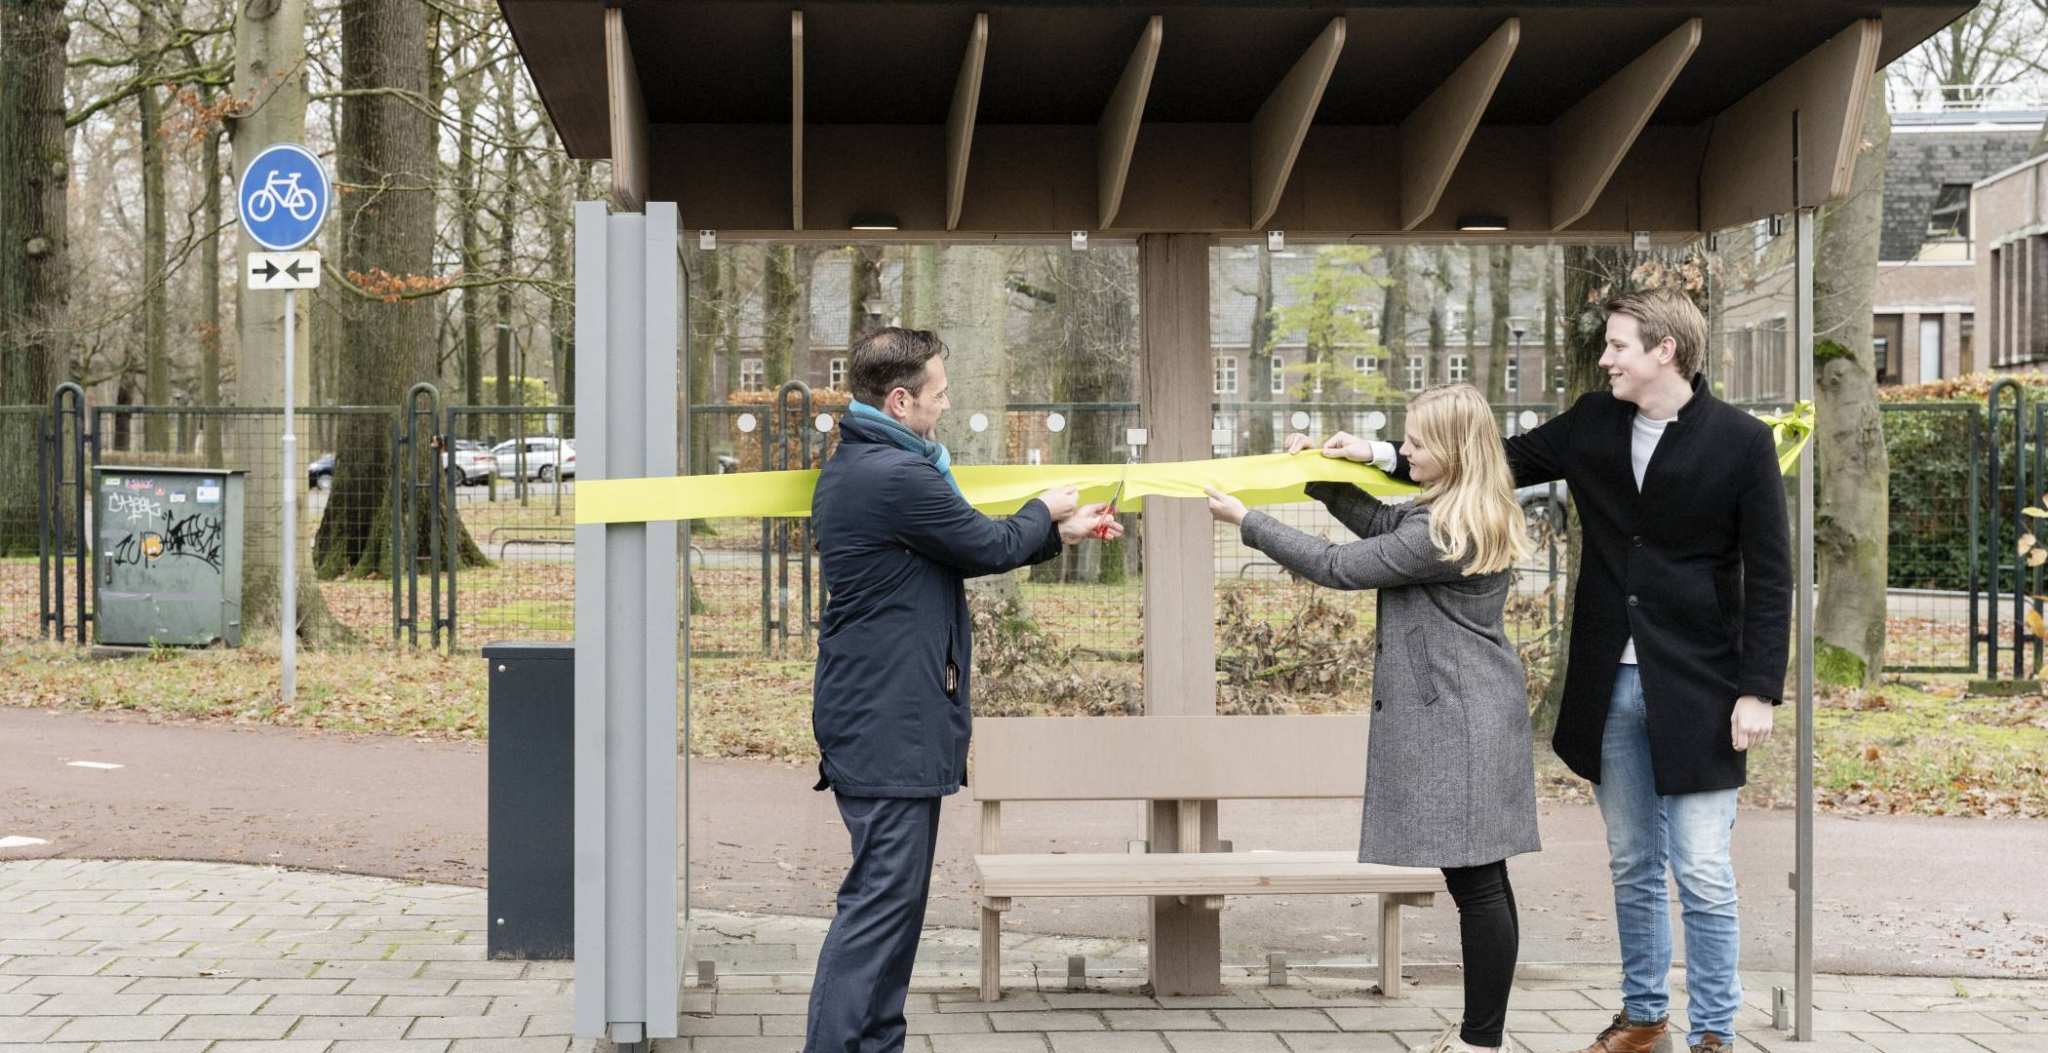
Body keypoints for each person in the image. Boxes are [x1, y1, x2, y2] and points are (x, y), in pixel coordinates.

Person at [1324, 289, 1790, 1053]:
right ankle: (1645, 1020)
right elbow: (1484, 464)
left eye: (1617, 346)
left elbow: (1771, 575)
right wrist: (1378, 455)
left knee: (1702, 869)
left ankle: (1714, 1033)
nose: (1605, 358)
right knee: (1634, 861)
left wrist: (1758, 688)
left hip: (1703, 688)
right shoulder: (1593, 422)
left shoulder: (1741, 442)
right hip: (1609, 684)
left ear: (1664, 350)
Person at [804, 327, 1120, 1053]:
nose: (946, 406)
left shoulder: (877, 465)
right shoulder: (896, 475)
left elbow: (962, 548)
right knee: (879, 908)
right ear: (901, 398)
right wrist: (1044, 507)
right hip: (889, 722)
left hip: (888, 715)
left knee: (894, 908)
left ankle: (877, 1042)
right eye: (940, 394)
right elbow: (986, 542)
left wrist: (1056, 533)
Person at [1206, 383, 1540, 1053]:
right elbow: (1384, 527)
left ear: (1448, 450)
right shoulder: (1454, 511)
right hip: (1474, 710)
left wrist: (1247, 520)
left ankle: (1482, 1042)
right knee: (1481, 879)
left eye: (1414, 441)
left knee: (1476, 883)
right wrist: (1321, 480)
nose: (1402, 449)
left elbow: (1338, 564)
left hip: (1462, 718)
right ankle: (1484, 1036)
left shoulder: (1443, 527)